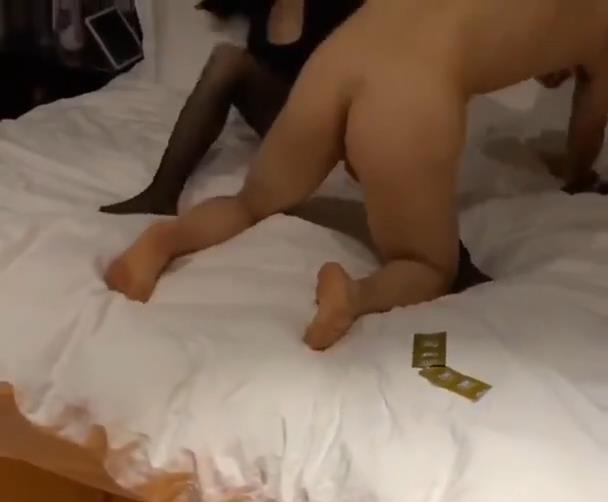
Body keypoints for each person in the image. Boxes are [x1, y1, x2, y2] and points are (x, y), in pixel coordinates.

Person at [105, 0, 608, 350]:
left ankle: (163, 241)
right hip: (412, 85)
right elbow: (590, 118)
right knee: (428, 265)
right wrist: (578, 174)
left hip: (341, 55)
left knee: (249, 202)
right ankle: (352, 296)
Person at [101, 0, 362, 216]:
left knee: (228, 59)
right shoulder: (262, 4)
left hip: (321, 127)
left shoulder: (337, 7)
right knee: (226, 58)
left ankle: (160, 196)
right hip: (278, 123)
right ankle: (162, 194)